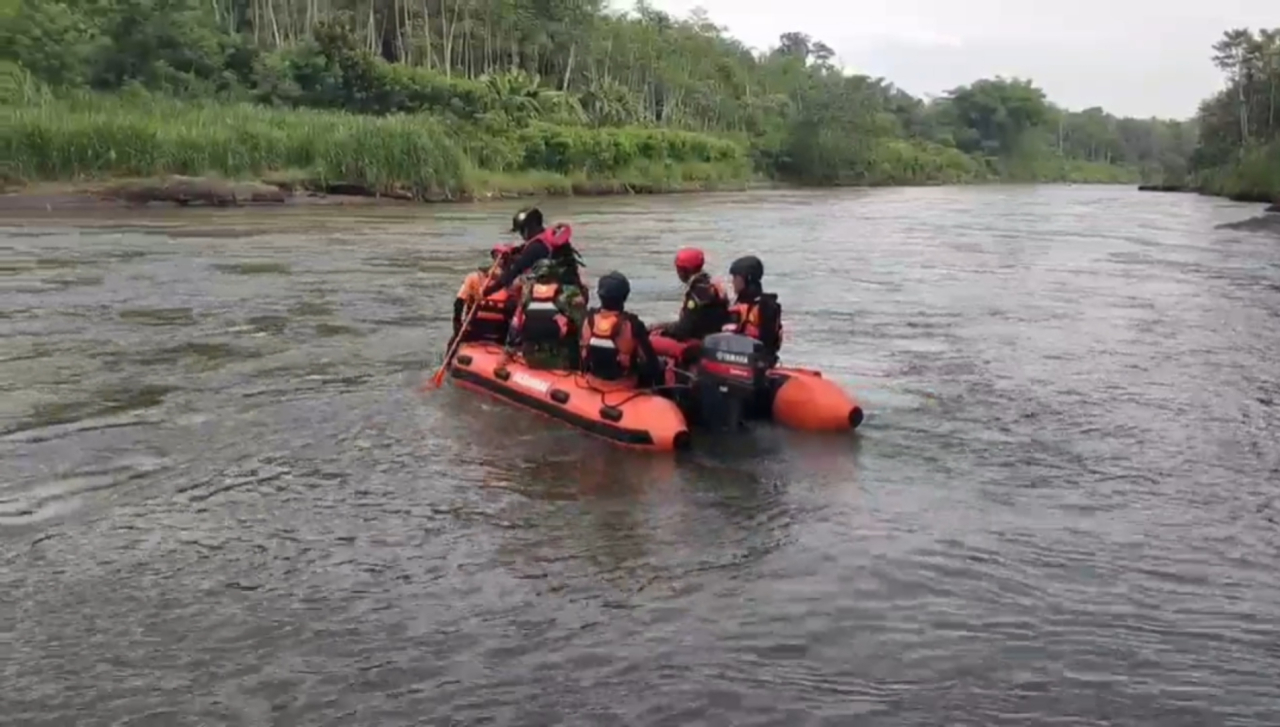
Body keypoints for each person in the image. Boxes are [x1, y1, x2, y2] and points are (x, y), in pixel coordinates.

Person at [482, 207, 587, 306]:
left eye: (521, 230)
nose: (522, 235)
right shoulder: (553, 241)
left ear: (529, 228)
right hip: (574, 289)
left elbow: (512, 273)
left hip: (557, 295)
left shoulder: (535, 247)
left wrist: (487, 291)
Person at [580, 271, 662, 388]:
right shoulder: (633, 324)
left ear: (600, 295)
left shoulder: (589, 319)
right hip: (623, 385)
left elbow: (583, 355)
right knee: (660, 365)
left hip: (593, 380)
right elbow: (651, 363)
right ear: (624, 296)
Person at [650, 247, 730, 361]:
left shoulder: (696, 294)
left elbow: (683, 330)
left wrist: (662, 329)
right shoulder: (710, 285)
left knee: (649, 341)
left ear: (684, 270)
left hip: (699, 342)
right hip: (713, 338)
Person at [508, 258, 587, 370]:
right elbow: (582, 327)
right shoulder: (570, 293)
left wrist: (508, 352)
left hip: (531, 357)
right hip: (561, 360)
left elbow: (515, 326)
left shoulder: (528, 293)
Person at [451, 244, 518, 345]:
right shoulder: (475, 278)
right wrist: (457, 324)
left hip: (496, 332)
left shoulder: (514, 284)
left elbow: (458, 303)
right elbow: (459, 303)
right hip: (481, 330)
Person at [722, 255, 783, 364]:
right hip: (754, 360)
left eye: (736, 278)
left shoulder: (761, 307)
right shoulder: (762, 304)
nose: (733, 282)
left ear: (747, 279)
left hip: (749, 362)